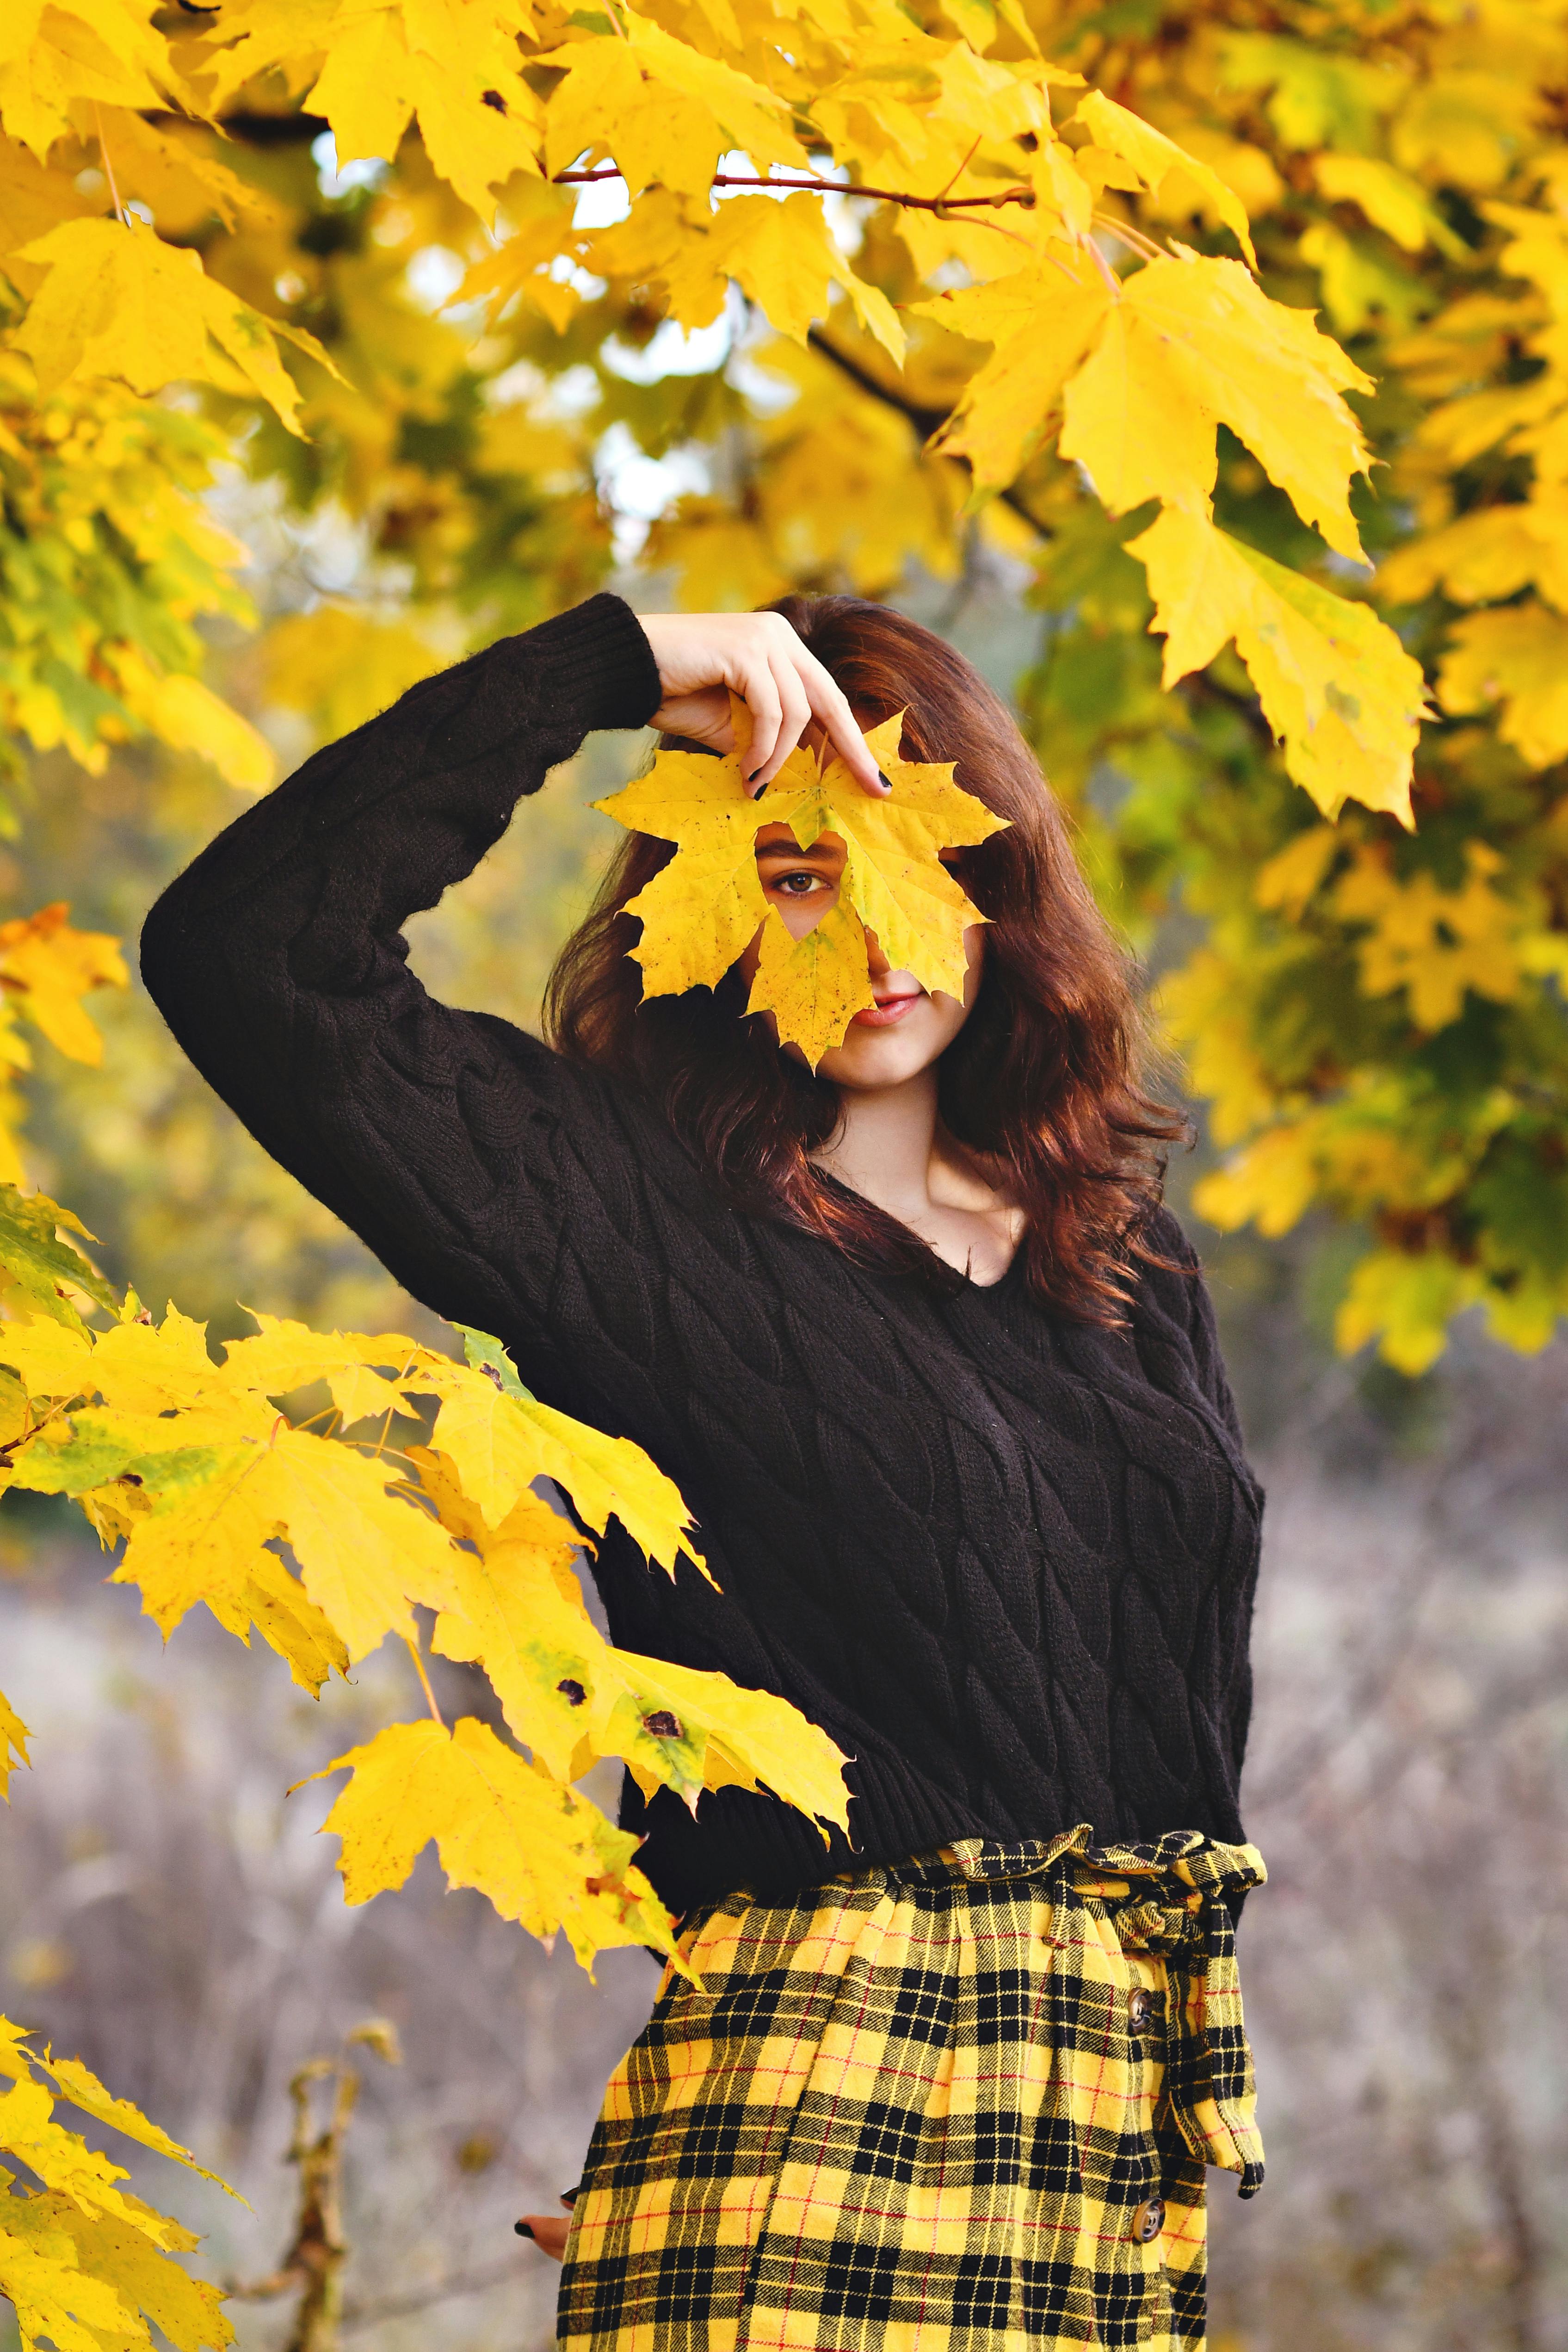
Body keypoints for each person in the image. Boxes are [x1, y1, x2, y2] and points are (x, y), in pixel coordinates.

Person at [142, 594, 1266, 2351]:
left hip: (1108, 2135)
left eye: (917, 863)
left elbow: (1174, 1734)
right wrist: (602, 668)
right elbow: (246, 953)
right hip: (816, 2117)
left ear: (1007, 886)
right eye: (805, 874)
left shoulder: (1123, 1251)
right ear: (722, 909)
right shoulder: (619, 1214)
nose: (881, 932)